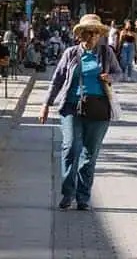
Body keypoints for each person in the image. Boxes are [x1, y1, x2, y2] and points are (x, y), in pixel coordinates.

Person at [40, 14, 121, 210]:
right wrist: (46, 104)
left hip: (99, 108)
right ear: (80, 34)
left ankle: (83, 197)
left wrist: (109, 77)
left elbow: (118, 73)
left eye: (95, 33)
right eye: (87, 32)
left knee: (89, 154)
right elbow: (58, 79)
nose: (91, 36)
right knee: (70, 148)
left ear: (99, 35)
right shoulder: (71, 53)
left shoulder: (106, 53)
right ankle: (67, 193)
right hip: (72, 106)